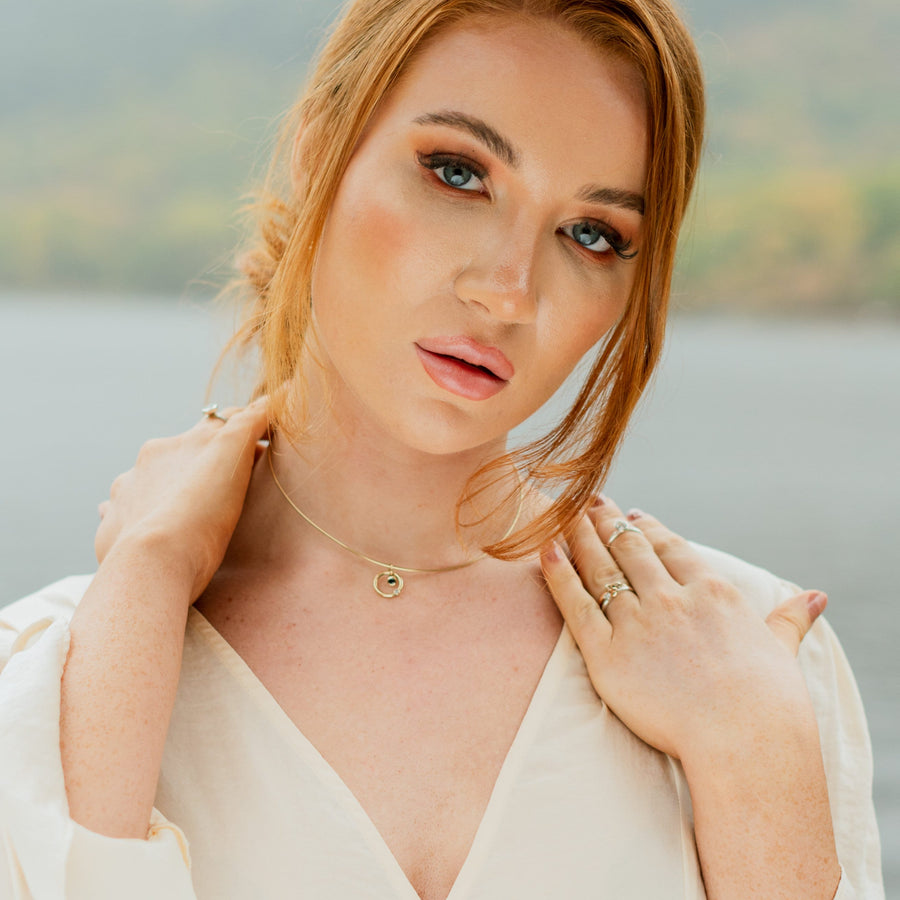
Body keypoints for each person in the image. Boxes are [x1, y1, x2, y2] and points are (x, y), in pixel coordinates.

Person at [0, 0, 884, 897]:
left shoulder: (750, 659)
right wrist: (144, 588)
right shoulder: (56, 666)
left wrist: (754, 753)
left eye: (592, 234)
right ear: (320, 152)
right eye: (459, 173)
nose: (508, 292)